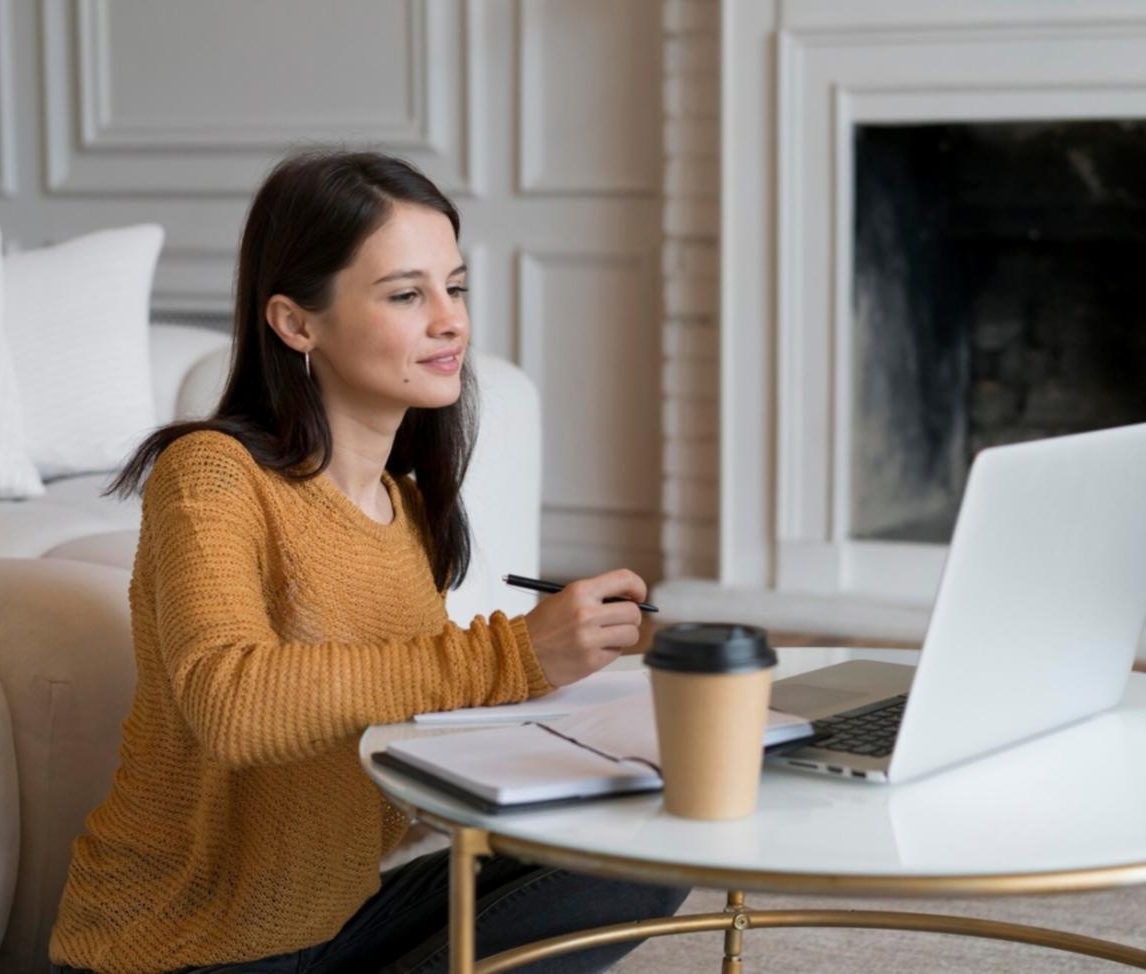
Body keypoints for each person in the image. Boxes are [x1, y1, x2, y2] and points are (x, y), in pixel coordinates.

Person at [47, 149, 691, 974]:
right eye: (405, 294)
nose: (450, 321)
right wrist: (514, 654)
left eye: (455, 287)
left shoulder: (406, 507)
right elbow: (230, 701)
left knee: (649, 843)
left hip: (336, 921)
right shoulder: (211, 474)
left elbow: (394, 723)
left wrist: (575, 730)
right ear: (295, 323)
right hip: (187, 948)